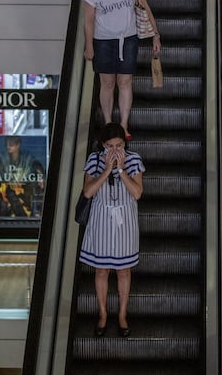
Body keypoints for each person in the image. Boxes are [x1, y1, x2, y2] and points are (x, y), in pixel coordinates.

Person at [83, 0, 161, 140]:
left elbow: (146, 8)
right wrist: (89, 45)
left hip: (128, 38)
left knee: (125, 81)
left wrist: (156, 35)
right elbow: (89, 19)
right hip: (103, 40)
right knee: (107, 83)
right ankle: (109, 123)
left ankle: (124, 124)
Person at [79, 122, 144, 337]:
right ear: (103, 144)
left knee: (124, 270)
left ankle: (123, 314)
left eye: (118, 145)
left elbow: (137, 193)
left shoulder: (134, 159)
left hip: (125, 220)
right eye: (110, 145)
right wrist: (107, 170)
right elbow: (88, 192)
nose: (115, 150)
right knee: (101, 270)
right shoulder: (94, 160)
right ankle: (103, 313)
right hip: (101, 219)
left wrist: (121, 170)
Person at [0, 136, 45, 219]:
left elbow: (36, 164)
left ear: (18, 145)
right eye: (7, 144)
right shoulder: (3, 156)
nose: (8, 146)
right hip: (7, 190)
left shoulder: (26, 156)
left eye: (11, 144)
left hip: (24, 191)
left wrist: (40, 177)